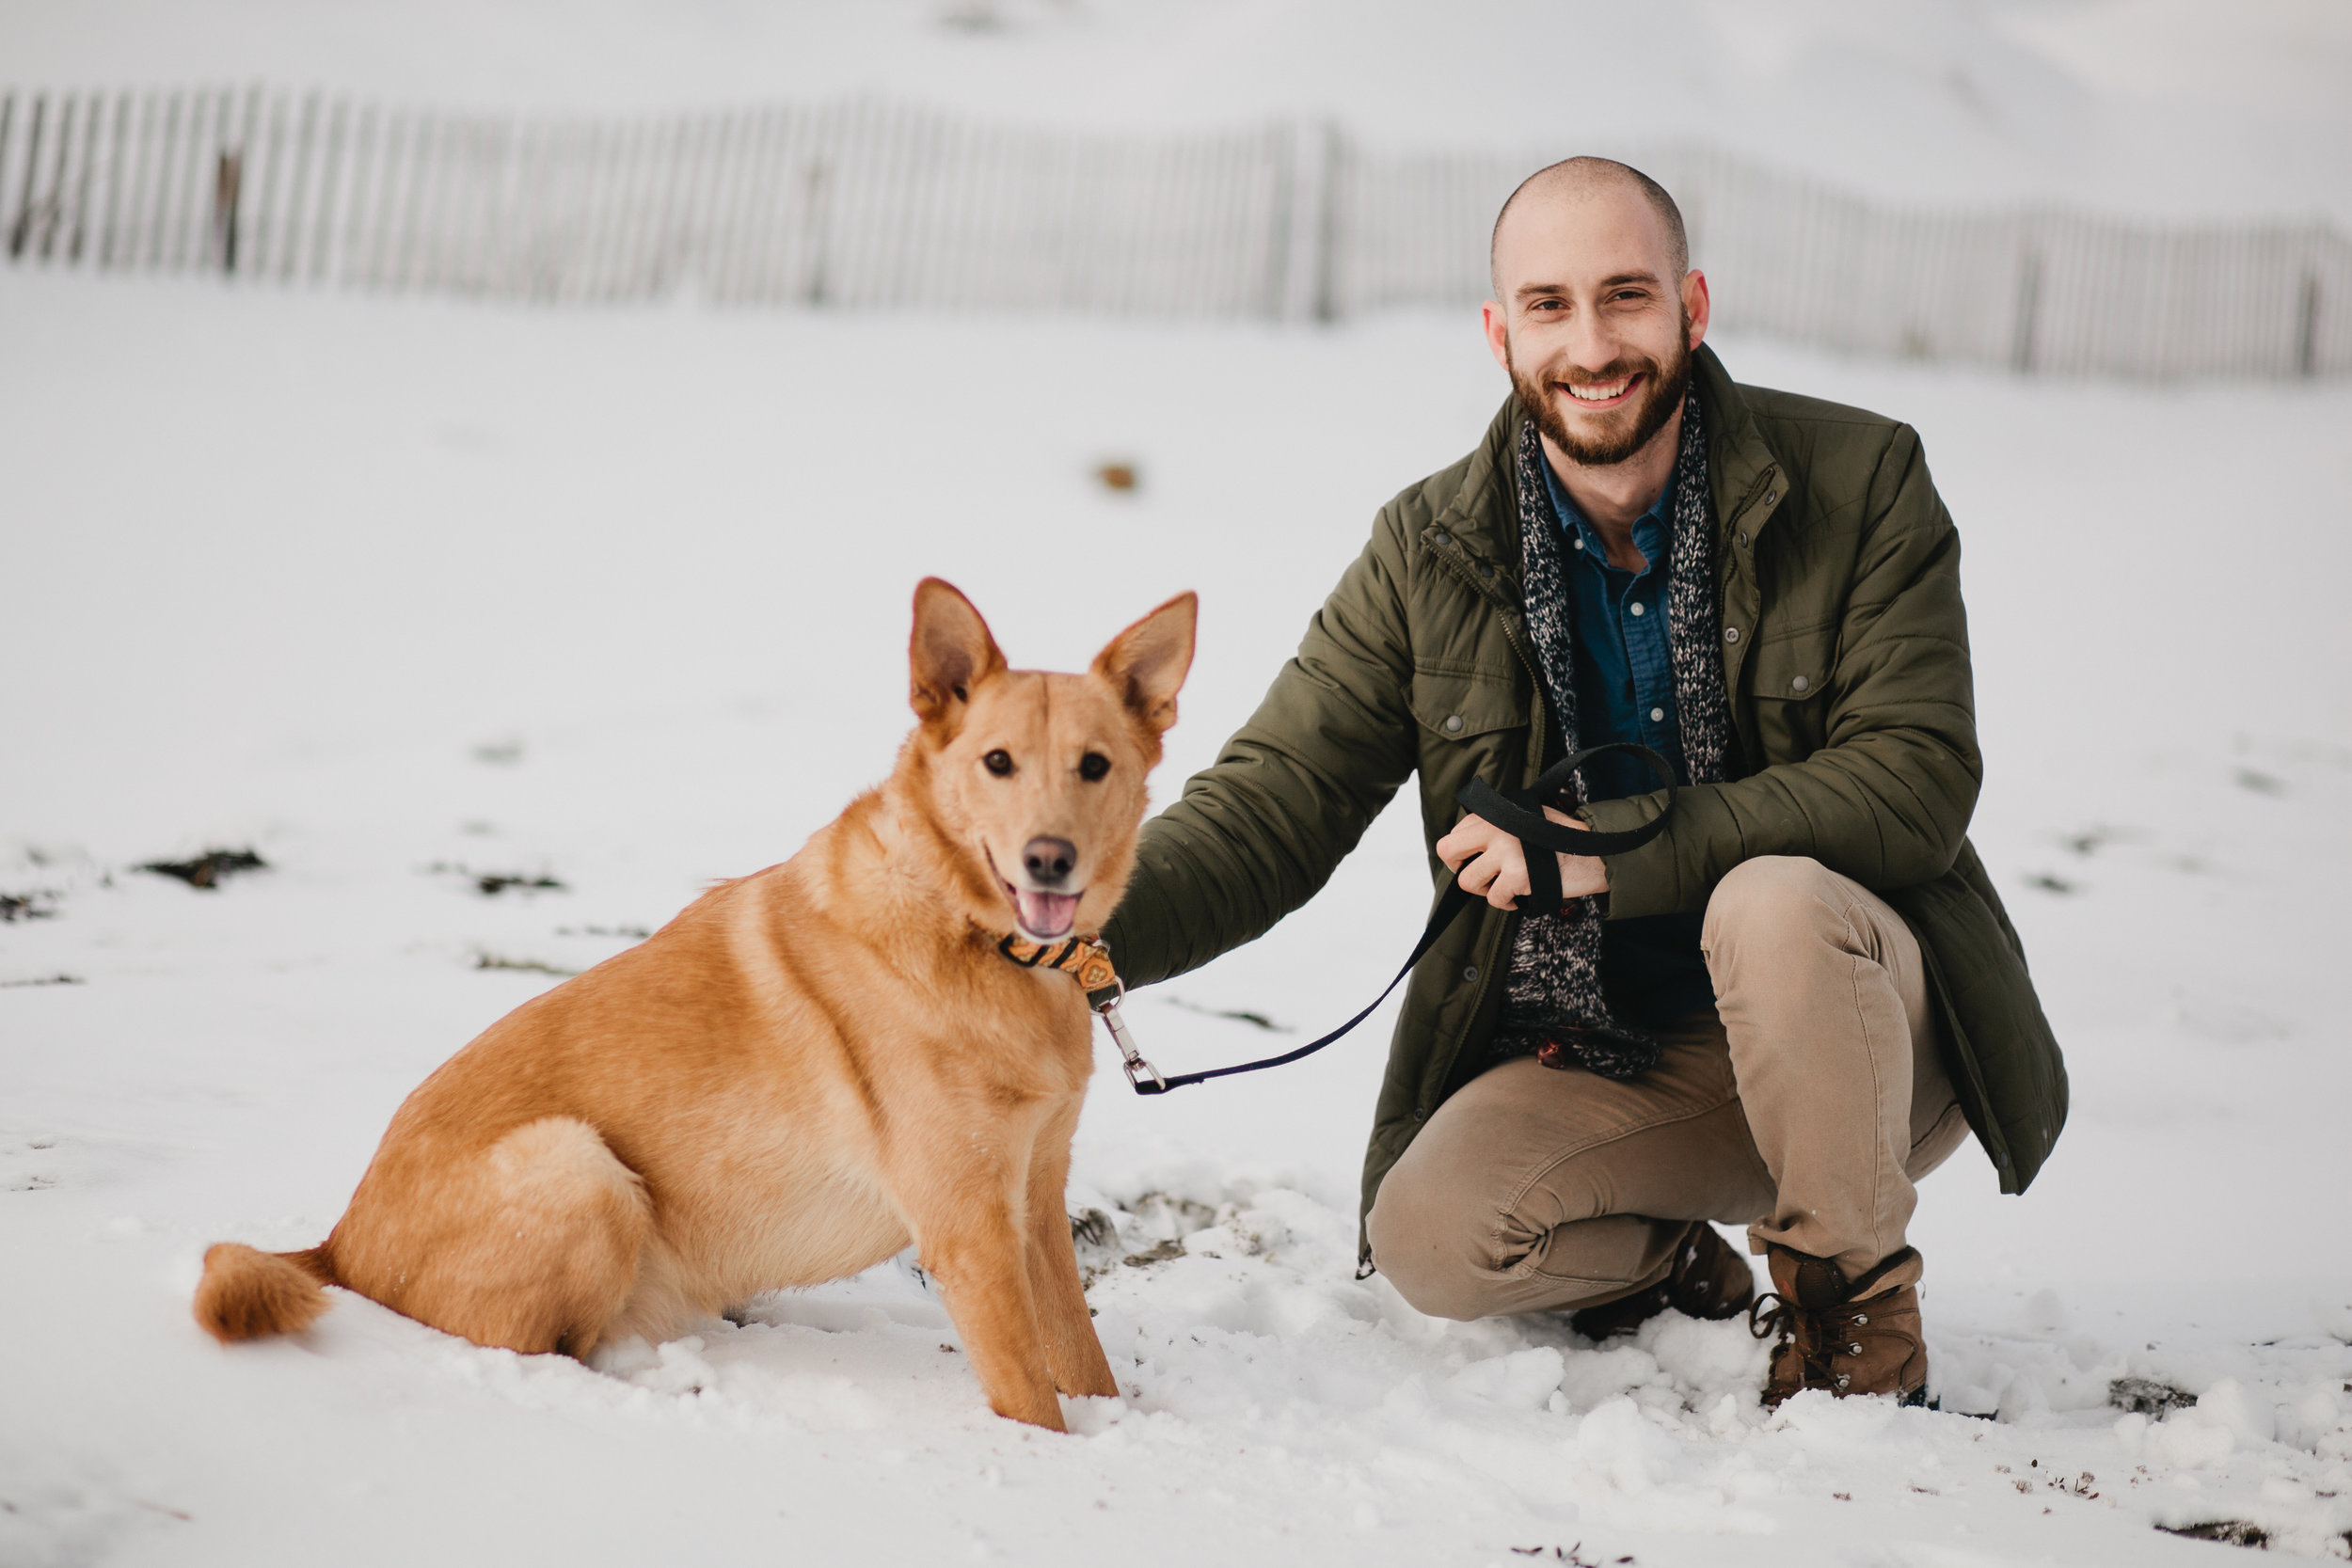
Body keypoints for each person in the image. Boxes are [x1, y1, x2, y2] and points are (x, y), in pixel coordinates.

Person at [1099, 157, 2065, 1406]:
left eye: (1627, 296)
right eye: (1550, 306)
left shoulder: (1860, 478)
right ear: (1501, 334)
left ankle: (1849, 1305)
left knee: (1768, 903)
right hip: (1618, 1050)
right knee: (1436, 1239)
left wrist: (1603, 846)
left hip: (1869, 1038)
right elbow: (1271, 805)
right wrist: (1066, 929)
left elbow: (1914, 780)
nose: (1594, 343)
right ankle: (1660, 1262)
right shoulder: (1427, 547)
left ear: (1692, 307)